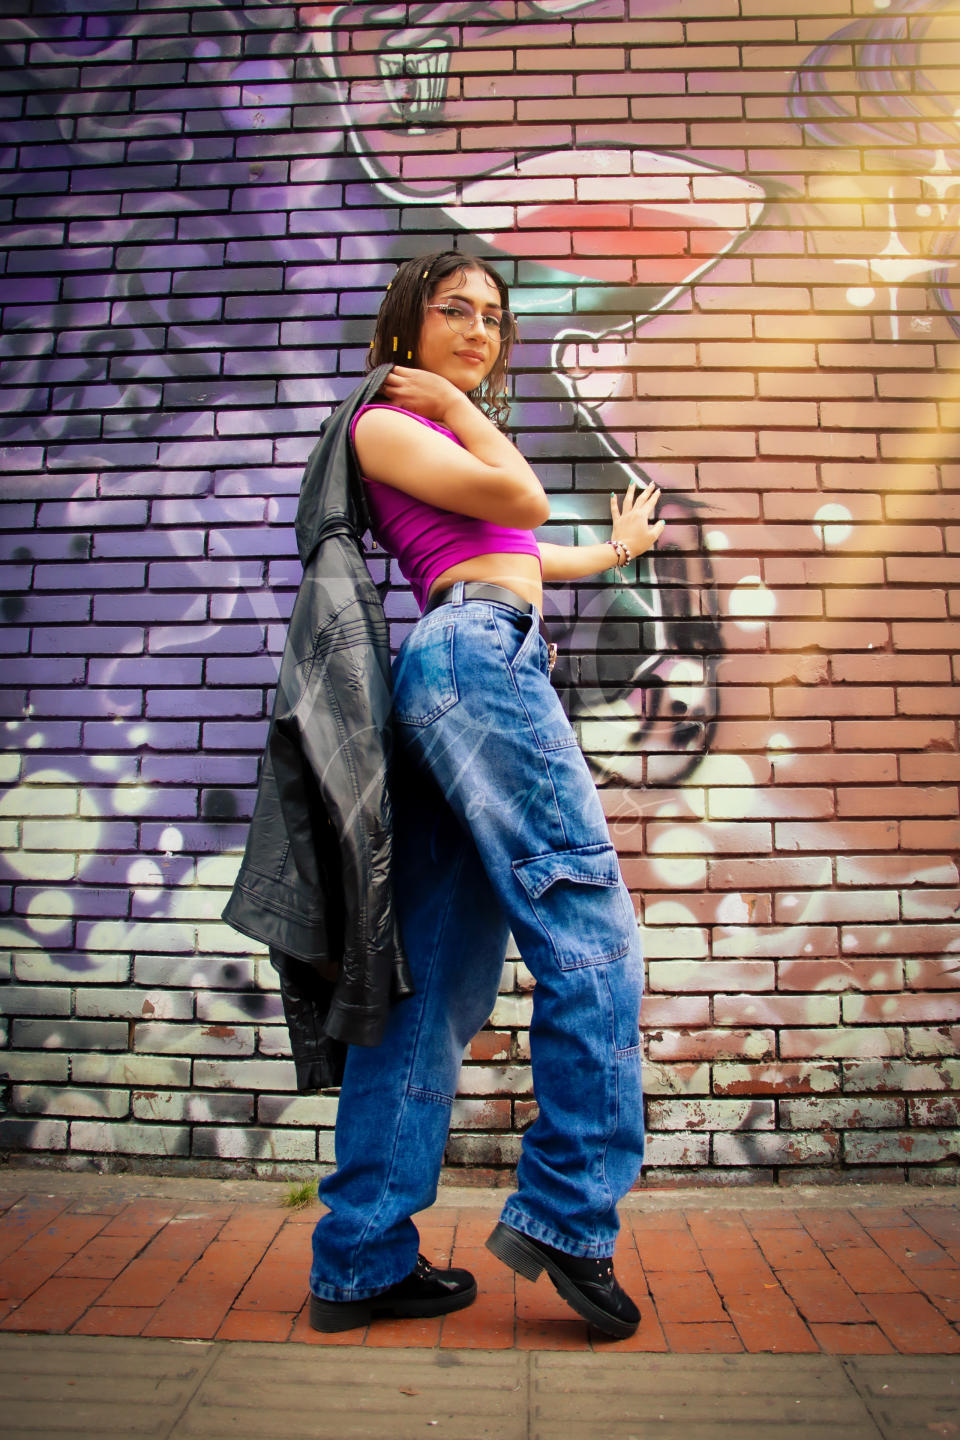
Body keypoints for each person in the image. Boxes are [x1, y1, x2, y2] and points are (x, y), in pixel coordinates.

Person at [307, 249, 665, 1340]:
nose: (479, 330)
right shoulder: (386, 422)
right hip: (475, 662)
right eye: (454, 309)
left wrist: (616, 550)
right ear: (405, 327)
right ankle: (568, 1213)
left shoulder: (440, 445)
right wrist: (464, 409)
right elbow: (522, 497)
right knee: (591, 936)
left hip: (464, 663)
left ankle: (362, 1259)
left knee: (434, 987)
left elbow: (519, 547)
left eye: (495, 318)